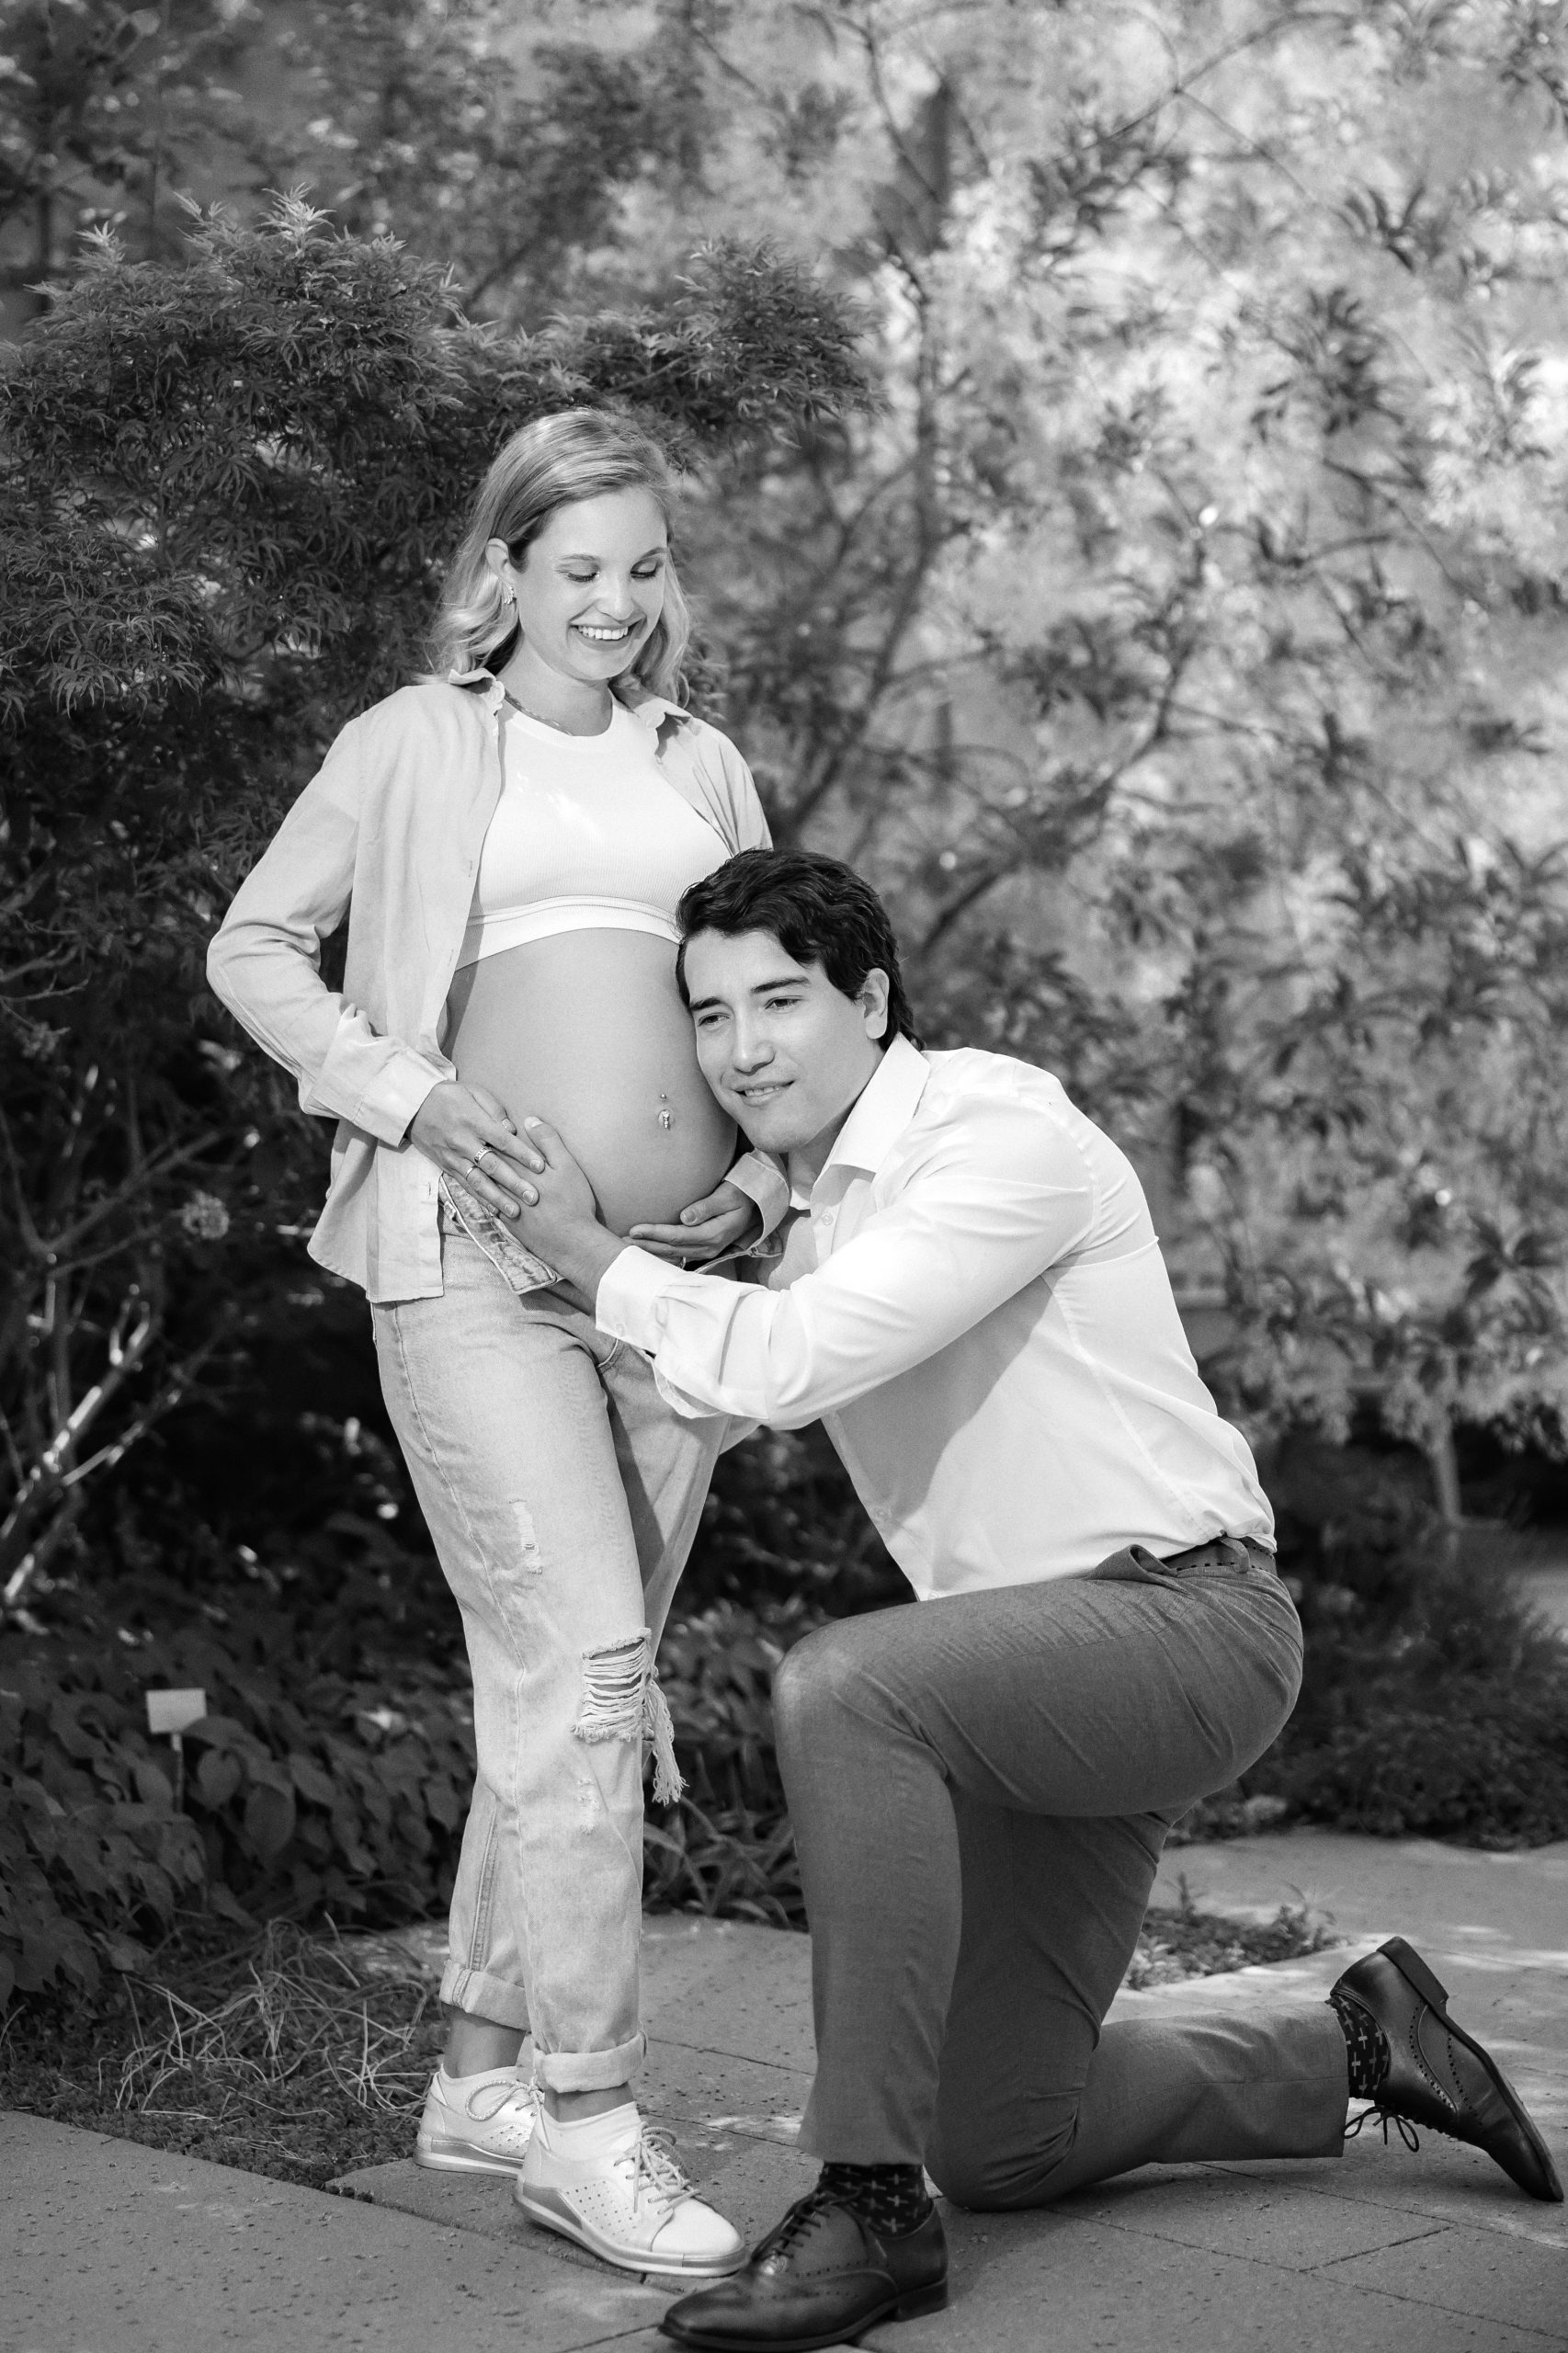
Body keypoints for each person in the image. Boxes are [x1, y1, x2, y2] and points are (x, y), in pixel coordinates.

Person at [496, 846, 1565, 2349]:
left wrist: (587, 1252)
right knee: (1002, 2137)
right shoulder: (813, 1208)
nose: (740, 1049)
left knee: (844, 1688)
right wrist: (622, 1273)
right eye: (711, 1014)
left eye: (780, 1001)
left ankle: (866, 2207)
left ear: (873, 1000)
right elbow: (719, 1386)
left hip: (1185, 1626)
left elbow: (782, 1365)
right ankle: (1353, 2041)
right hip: (1022, 1678)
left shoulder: (996, 1133)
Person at [206, 411, 794, 2282]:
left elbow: (778, 1013)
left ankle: (476, 2079)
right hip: (470, 1264)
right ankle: (589, 2120)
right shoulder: (413, 740)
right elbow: (253, 947)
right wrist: (415, 1093)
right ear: (504, 572)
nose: (613, 602)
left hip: (663, 1289)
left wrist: (757, 1194)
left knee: (570, 1692)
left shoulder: (704, 765)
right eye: (577, 568)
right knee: (595, 1670)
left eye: (642, 567)